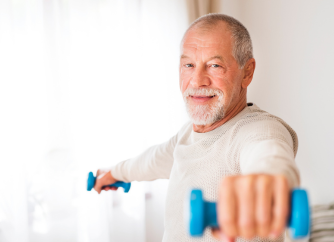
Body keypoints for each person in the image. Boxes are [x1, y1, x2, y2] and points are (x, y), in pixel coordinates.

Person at [93, 13, 299, 242]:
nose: (197, 80)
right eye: (189, 65)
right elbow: (151, 161)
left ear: (247, 72)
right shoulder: (188, 134)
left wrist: (267, 184)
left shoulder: (259, 129)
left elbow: (269, 154)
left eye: (214, 65)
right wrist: (113, 173)